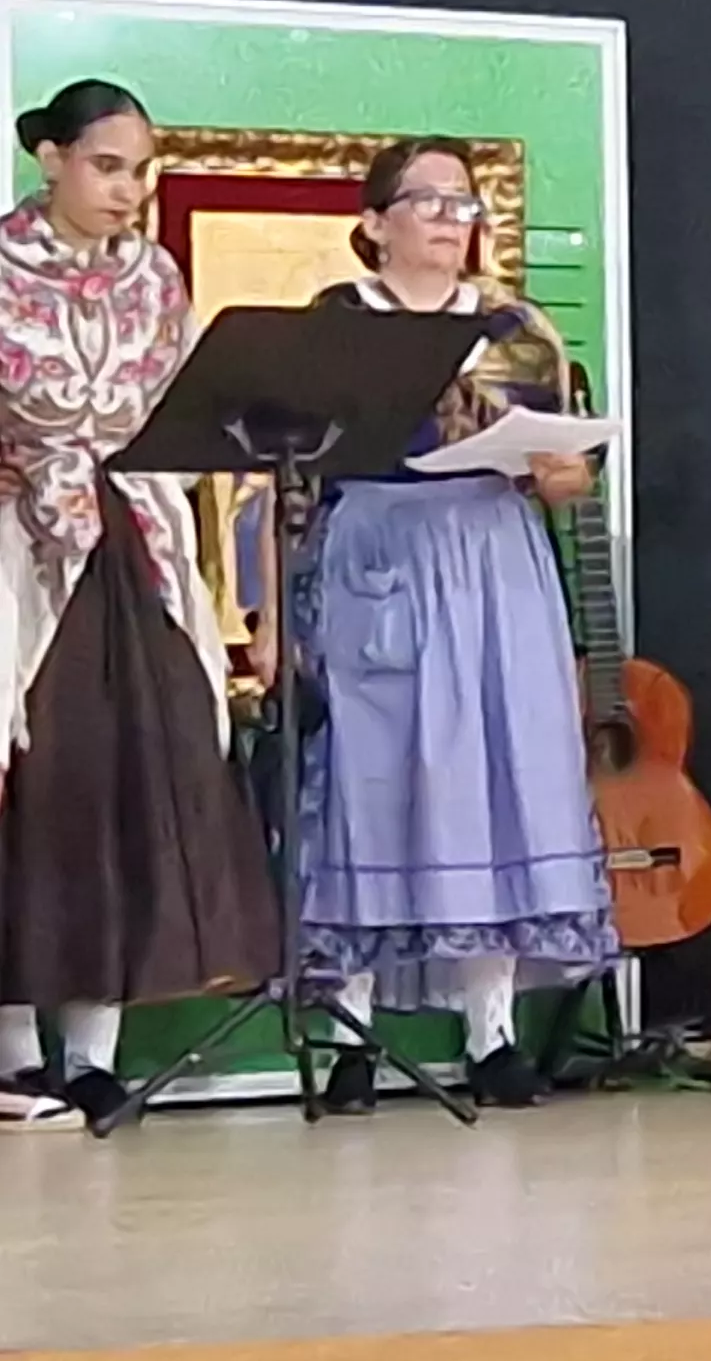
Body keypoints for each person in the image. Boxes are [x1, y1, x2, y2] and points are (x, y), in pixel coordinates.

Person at [294, 137, 620, 1112]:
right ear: (374, 220)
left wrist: (567, 475)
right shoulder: (336, 322)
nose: (449, 217)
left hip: (493, 553)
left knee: (497, 776)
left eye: (464, 202)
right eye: (426, 199)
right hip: (382, 549)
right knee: (373, 776)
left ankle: (491, 1032)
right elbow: (297, 465)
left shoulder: (520, 328)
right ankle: (350, 1032)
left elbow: (565, 469)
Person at [0, 80, 277, 1128]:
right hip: (29, 540)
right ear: (51, 158)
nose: (127, 188)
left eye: (139, 168)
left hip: (140, 534)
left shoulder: (157, 278)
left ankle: (99, 1047)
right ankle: (19, 1045)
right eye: (107, 164)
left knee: (133, 770)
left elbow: (182, 407)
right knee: (43, 780)